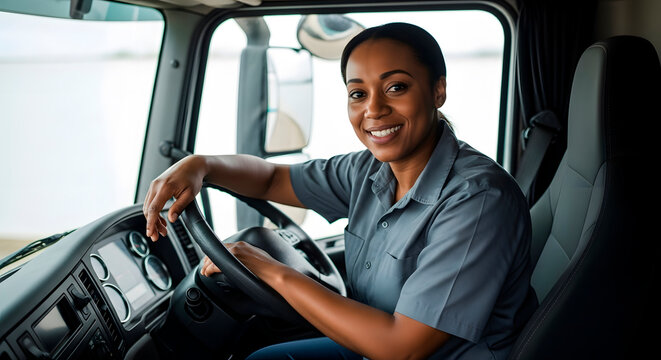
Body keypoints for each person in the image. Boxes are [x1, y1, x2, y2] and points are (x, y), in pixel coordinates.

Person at [143, 22, 537, 360]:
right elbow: (272, 179)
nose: (374, 110)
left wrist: (272, 272)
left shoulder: (479, 199)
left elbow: (403, 347)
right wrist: (202, 165)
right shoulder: (368, 168)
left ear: (438, 91)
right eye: (358, 93)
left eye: (396, 87)